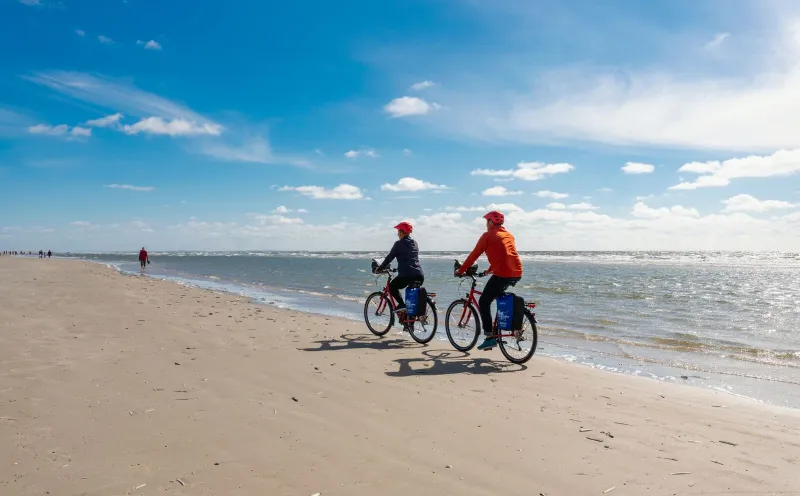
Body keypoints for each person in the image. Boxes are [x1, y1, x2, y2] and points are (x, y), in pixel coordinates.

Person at [455, 210, 523, 351]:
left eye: (487, 221)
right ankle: (501, 327)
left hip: (503, 273)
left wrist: (460, 270)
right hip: (517, 272)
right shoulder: (509, 235)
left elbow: (473, 256)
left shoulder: (487, 236)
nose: (486, 224)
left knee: (484, 301)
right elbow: (504, 256)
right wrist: (489, 270)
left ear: (491, 222)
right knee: (498, 295)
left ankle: (489, 337)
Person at [374, 222, 424, 329]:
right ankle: (409, 324)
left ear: (401, 232)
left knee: (392, 287)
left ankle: (402, 305)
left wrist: (380, 267)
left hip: (407, 275)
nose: (398, 234)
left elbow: (389, 258)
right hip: (419, 275)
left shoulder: (398, 244)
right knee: (412, 298)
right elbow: (410, 259)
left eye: (398, 232)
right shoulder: (414, 243)